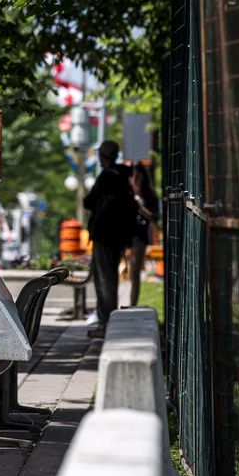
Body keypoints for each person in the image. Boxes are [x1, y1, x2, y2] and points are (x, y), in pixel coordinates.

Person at [83, 139, 136, 338]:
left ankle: (107, 324)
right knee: (111, 277)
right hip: (119, 235)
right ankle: (108, 321)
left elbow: (89, 201)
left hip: (104, 235)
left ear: (102, 157)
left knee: (105, 280)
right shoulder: (124, 176)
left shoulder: (107, 177)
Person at [128, 162, 159, 306]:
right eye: (133, 178)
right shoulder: (127, 193)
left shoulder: (149, 196)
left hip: (139, 237)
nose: (135, 181)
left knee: (134, 272)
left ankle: (132, 304)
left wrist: (140, 207)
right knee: (125, 272)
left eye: (138, 178)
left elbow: (154, 216)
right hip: (124, 236)